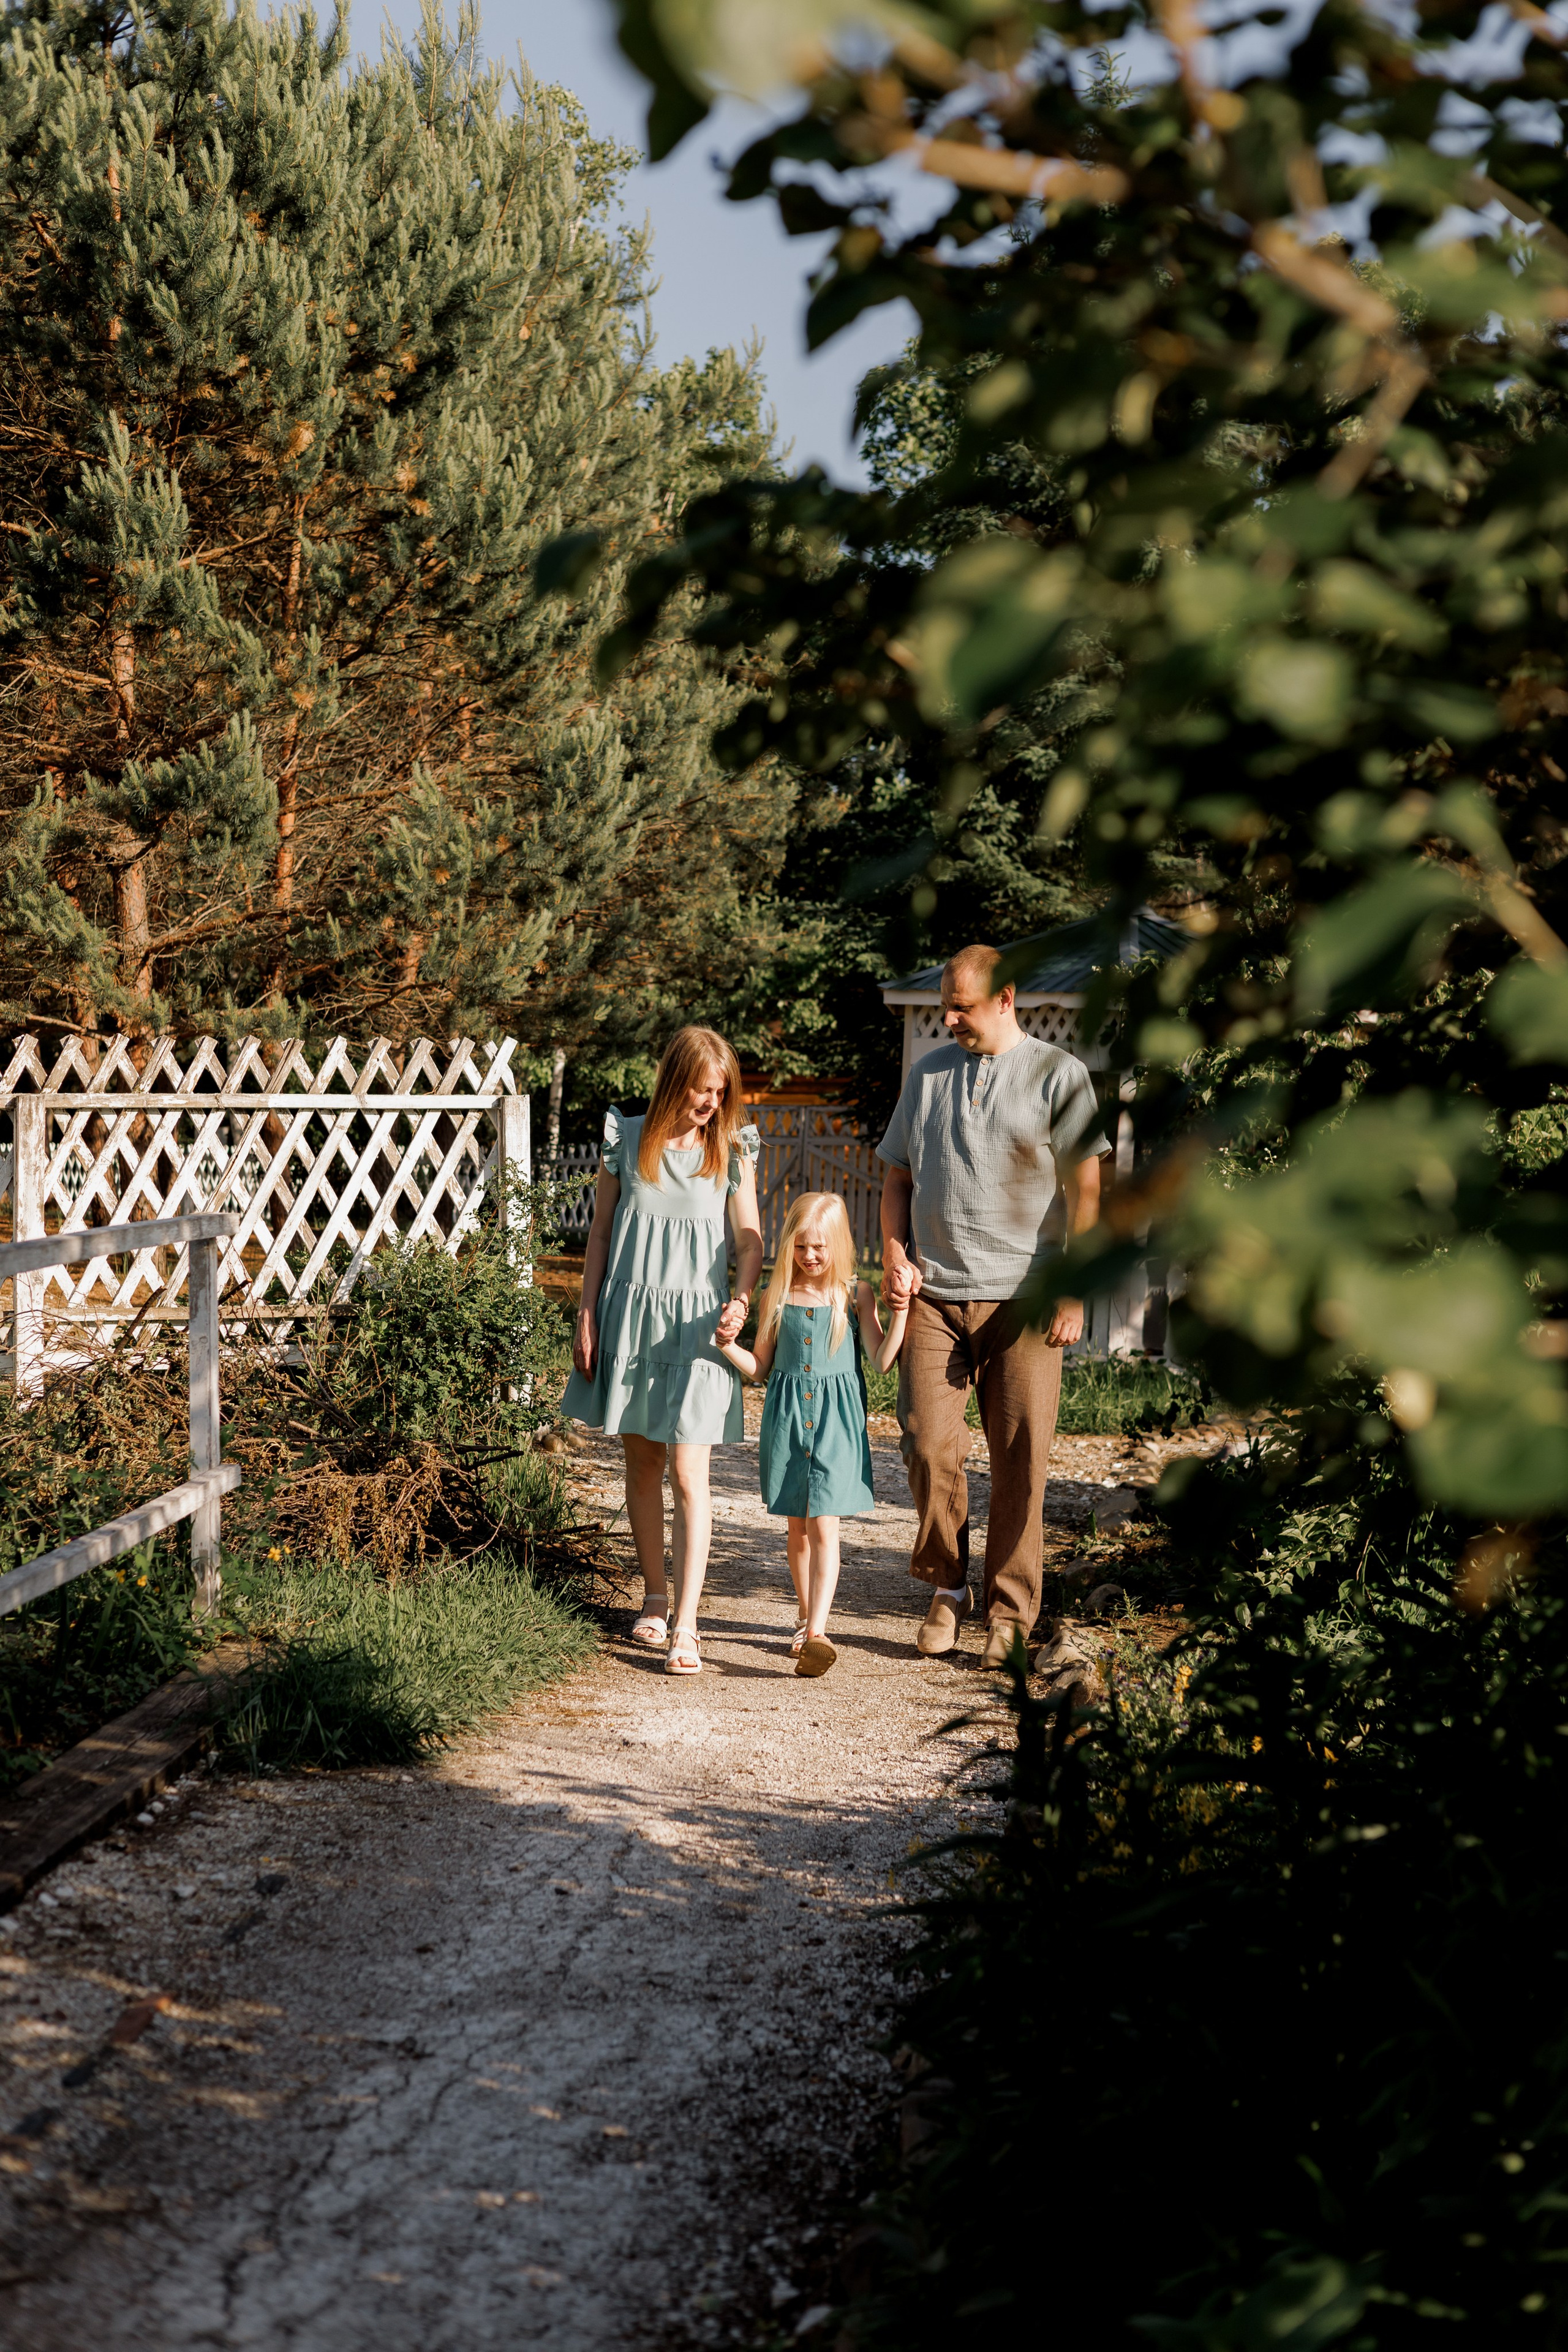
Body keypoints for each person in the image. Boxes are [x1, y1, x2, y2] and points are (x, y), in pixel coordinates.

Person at [878, 946, 1112, 1667]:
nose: (949, 1018)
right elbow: (895, 1177)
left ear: (1005, 998)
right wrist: (892, 1250)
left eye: (963, 1008)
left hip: (1026, 1300)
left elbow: (1088, 1192)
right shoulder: (926, 1077)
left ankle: (1010, 1611)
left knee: (1022, 1459)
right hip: (937, 1296)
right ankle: (948, 1589)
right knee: (923, 1442)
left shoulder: (1058, 1075)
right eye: (946, 1005)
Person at [563, 1027, 763, 1677]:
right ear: (674, 1079)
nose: (711, 1102)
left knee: (688, 1474)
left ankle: (688, 1623)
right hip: (631, 1320)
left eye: (719, 1092)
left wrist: (743, 1297)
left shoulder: (731, 1149)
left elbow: (751, 1239)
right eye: (702, 1089)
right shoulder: (626, 1138)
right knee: (643, 1464)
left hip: (701, 1330)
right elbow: (598, 1236)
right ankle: (653, 1597)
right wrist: (586, 1313)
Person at [717, 1192, 907, 1679]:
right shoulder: (775, 1296)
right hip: (787, 1421)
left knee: (824, 1524)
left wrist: (902, 1311)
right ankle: (805, 1619)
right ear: (790, 1246)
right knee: (797, 1527)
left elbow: (883, 1360)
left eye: (819, 1247)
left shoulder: (854, 1294)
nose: (810, 1256)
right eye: (802, 1246)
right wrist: (726, 1347)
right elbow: (759, 1368)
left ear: (838, 1245)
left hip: (836, 1425)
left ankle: (818, 1631)